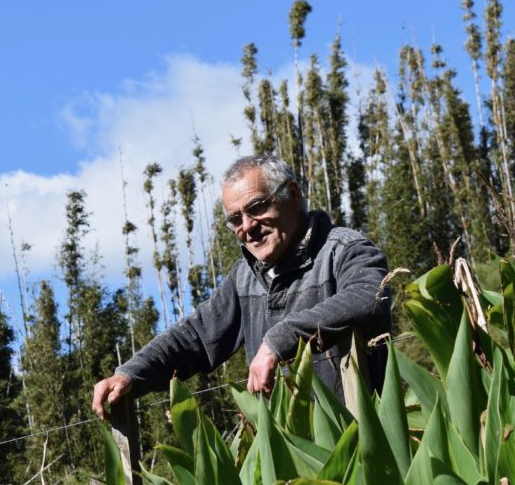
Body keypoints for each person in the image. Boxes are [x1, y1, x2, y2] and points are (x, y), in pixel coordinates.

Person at [92, 153, 390, 419]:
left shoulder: (344, 249)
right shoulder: (246, 276)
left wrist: (280, 339)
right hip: (287, 457)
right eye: (236, 218)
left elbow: (367, 296)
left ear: (293, 194)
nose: (247, 226)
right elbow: (194, 337)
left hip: (358, 444)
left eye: (257, 207)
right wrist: (130, 375)